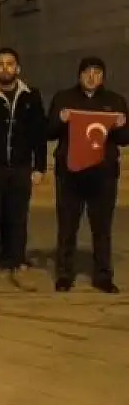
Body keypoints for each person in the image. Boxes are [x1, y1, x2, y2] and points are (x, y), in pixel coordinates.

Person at [47, 57, 129, 293]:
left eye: (97, 72)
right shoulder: (64, 98)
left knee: (102, 228)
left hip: (103, 174)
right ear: (79, 75)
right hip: (70, 173)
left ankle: (103, 275)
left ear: (103, 76)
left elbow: (125, 139)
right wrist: (60, 121)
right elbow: (49, 132)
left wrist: (121, 125)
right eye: (87, 72)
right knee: (67, 226)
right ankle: (64, 274)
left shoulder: (115, 101)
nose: (92, 77)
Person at [0, 48, 46, 292]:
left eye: (10, 64)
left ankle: (17, 265)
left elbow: (39, 133)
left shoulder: (31, 95)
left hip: (20, 167)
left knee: (18, 219)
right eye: (1, 64)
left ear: (18, 68)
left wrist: (40, 166)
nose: (5, 68)